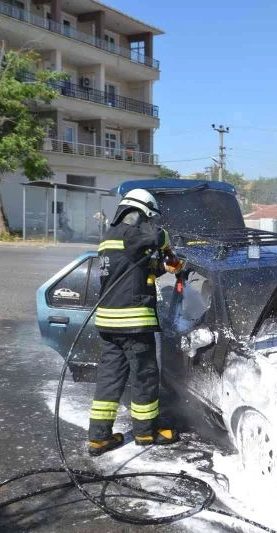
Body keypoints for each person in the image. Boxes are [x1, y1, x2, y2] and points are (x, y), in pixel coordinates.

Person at [87, 188, 184, 456]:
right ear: (139, 212)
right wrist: (166, 243)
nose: (147, 223)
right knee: (144, 377)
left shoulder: (109, 237)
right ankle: (145, 433)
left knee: (109, 379)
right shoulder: (132, 230)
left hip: (108, 324)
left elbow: (133, 268)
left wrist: (163, 267)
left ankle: (99, 438)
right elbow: (153, 235)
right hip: (133, 323)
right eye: (147, 217)